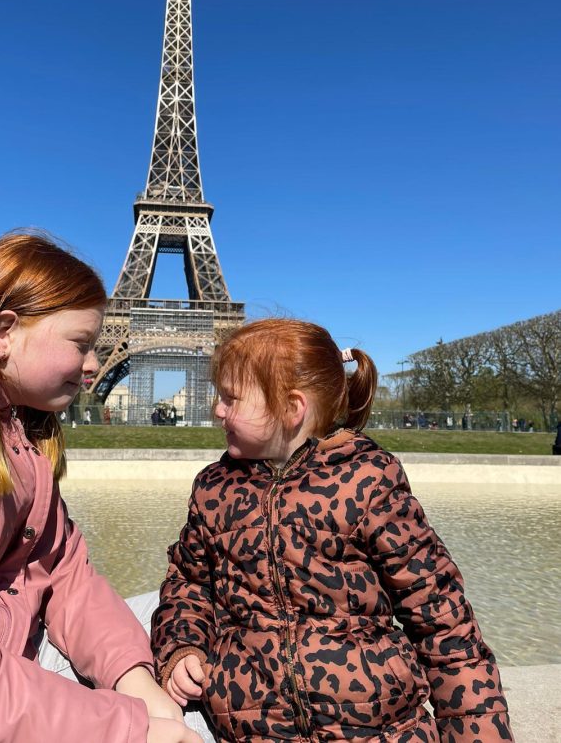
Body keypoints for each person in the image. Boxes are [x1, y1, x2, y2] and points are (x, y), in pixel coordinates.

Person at [0, 232, 200, 743]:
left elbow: (65, 573)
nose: (95, 363)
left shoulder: (16, 427)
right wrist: (132, 728)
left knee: (180, 633)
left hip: (1, 658)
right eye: (81, 344)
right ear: (4, 333)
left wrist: (135, 680)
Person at [151, 318, 512, 742]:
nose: (217, 409)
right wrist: (181, 648)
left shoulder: (369, 480)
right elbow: (189, 584)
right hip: (254, 727)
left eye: (230, 398)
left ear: (291, 407)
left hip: (380, 730)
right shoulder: (214, 488)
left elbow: (441, 618)